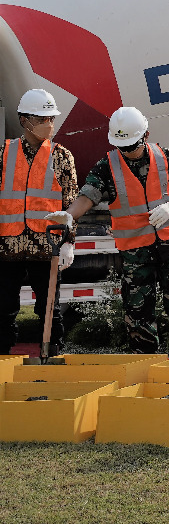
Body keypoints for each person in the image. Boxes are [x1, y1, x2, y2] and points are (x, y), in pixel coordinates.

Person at [63, 106, 169, 355]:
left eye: (132, 146)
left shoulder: (165, 156)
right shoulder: (107, 166)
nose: (128, 152)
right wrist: (69, 216)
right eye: (122, 147)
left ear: (146, 135)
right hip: (136, 252)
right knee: (138, 312)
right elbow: (87, 196)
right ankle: (145, 362)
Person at [2, 90, 77, 356]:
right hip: (7, 247)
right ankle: (2, 361)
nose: (49, 124)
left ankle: (52, 357)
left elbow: (70, 204)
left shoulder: (62, 156)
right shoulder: (4, 153)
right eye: (42, 119)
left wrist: (68, 242)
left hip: (47, 247)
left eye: (51, 119)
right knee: (3, 310)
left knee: (49, 309)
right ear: (24, 120)